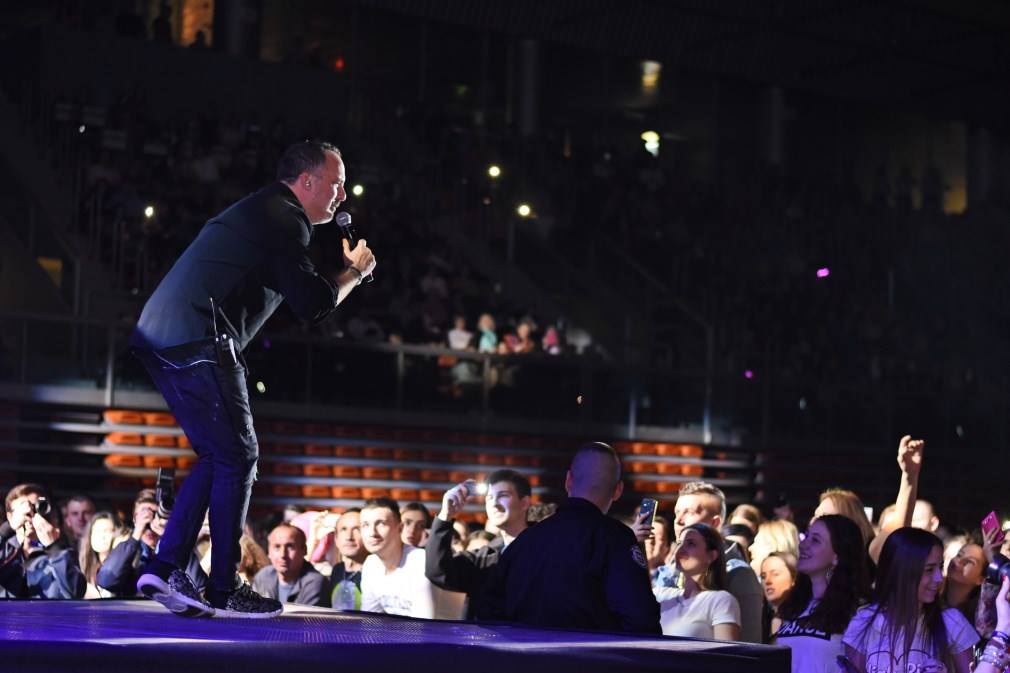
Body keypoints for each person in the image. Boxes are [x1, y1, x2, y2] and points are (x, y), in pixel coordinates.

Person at [129, 140, 375, 618]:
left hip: (160, 336)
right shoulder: (284, 217)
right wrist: (354, 273)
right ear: (307, 181)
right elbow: (313, 304)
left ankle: (165, 566)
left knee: (220, 454)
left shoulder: (264, 211)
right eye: (337, 184)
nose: (343, 195)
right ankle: (223, 586)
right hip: (199, 336)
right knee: (239, 455)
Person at [474, 442, 661, 634]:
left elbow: (488, 611)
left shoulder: (524, 541)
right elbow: (641, 619)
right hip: (590, 653)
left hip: (521, 652)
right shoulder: (616, 539)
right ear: (618, 490)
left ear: (568, 481)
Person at [843, 527, 978, 673]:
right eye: (929, 570)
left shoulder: (952, 622)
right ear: (902, 571)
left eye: (940, 567)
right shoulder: (864, 622)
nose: (939, 578)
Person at [661, 481, 764, 643]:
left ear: (715, 523)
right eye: (677, 512)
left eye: (689, 512)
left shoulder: (739, 574)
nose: (679, 520)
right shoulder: (669, 571)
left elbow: (749, 645)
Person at [426, 469, 531, 616]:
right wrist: (446, 515)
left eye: (503, 495)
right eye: (489, 498)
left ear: (524, 502)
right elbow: (439, 573)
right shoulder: (483, 558)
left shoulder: (545, 548)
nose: (494, 504)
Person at [773, 515, 870, 673]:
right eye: (807, 536)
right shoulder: (795, 605)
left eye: (815, 540)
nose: (803, 544)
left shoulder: (859, 610)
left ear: (837, 556)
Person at [359, 497, 462, 619]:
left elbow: (424, 625)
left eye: (381, 523)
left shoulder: (421, 562)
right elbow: (370, 621)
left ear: (400, 528)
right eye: (365, 525)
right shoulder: (370, 565)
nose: (372, 533)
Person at [97, 489, 207, 598]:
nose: (150, 523)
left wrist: (171, 537)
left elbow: (199, 587)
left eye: (155, 515)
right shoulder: (128, 552)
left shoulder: (177, 549)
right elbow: (106, 581)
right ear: (135, 519)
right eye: (144, 514)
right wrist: (136, 534)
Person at [655, 523, 741, 640]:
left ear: (711, 556)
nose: (680, 549)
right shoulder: (660, 594)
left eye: (690, 543)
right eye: (679, 543)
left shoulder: (721, 601)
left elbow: (726, 650)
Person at [0, 483, 85, 599]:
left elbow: (75, 591)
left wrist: (54, 547)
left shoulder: (60, 551)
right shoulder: (4, 549)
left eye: (36, 508)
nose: (30, 515)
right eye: (23, 510)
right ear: (10, 516)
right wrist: (7, 528)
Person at [252, 524, 326, 607]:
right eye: (277, 547)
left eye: (290, 547)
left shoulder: (314, 582)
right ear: (268, 551)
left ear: (304, 550)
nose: (283, 554)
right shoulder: (263, 577)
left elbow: (301, 615)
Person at [79, 511, 123, 599]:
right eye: (96, 531)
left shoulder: (123, 566)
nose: (101, 537)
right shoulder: (83, 567)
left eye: (107, 531)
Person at [943, 541, 985, 625]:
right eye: (959, 555)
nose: (960, 560)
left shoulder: (978, 620)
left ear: (980, 580)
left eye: (970, 561)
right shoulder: (927, 597)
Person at [760, 551, 797, 636]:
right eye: (763, 576)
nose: (767, 581)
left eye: (775, 574)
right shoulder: (764, 621)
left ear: (794, 578)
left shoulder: (806, 621)